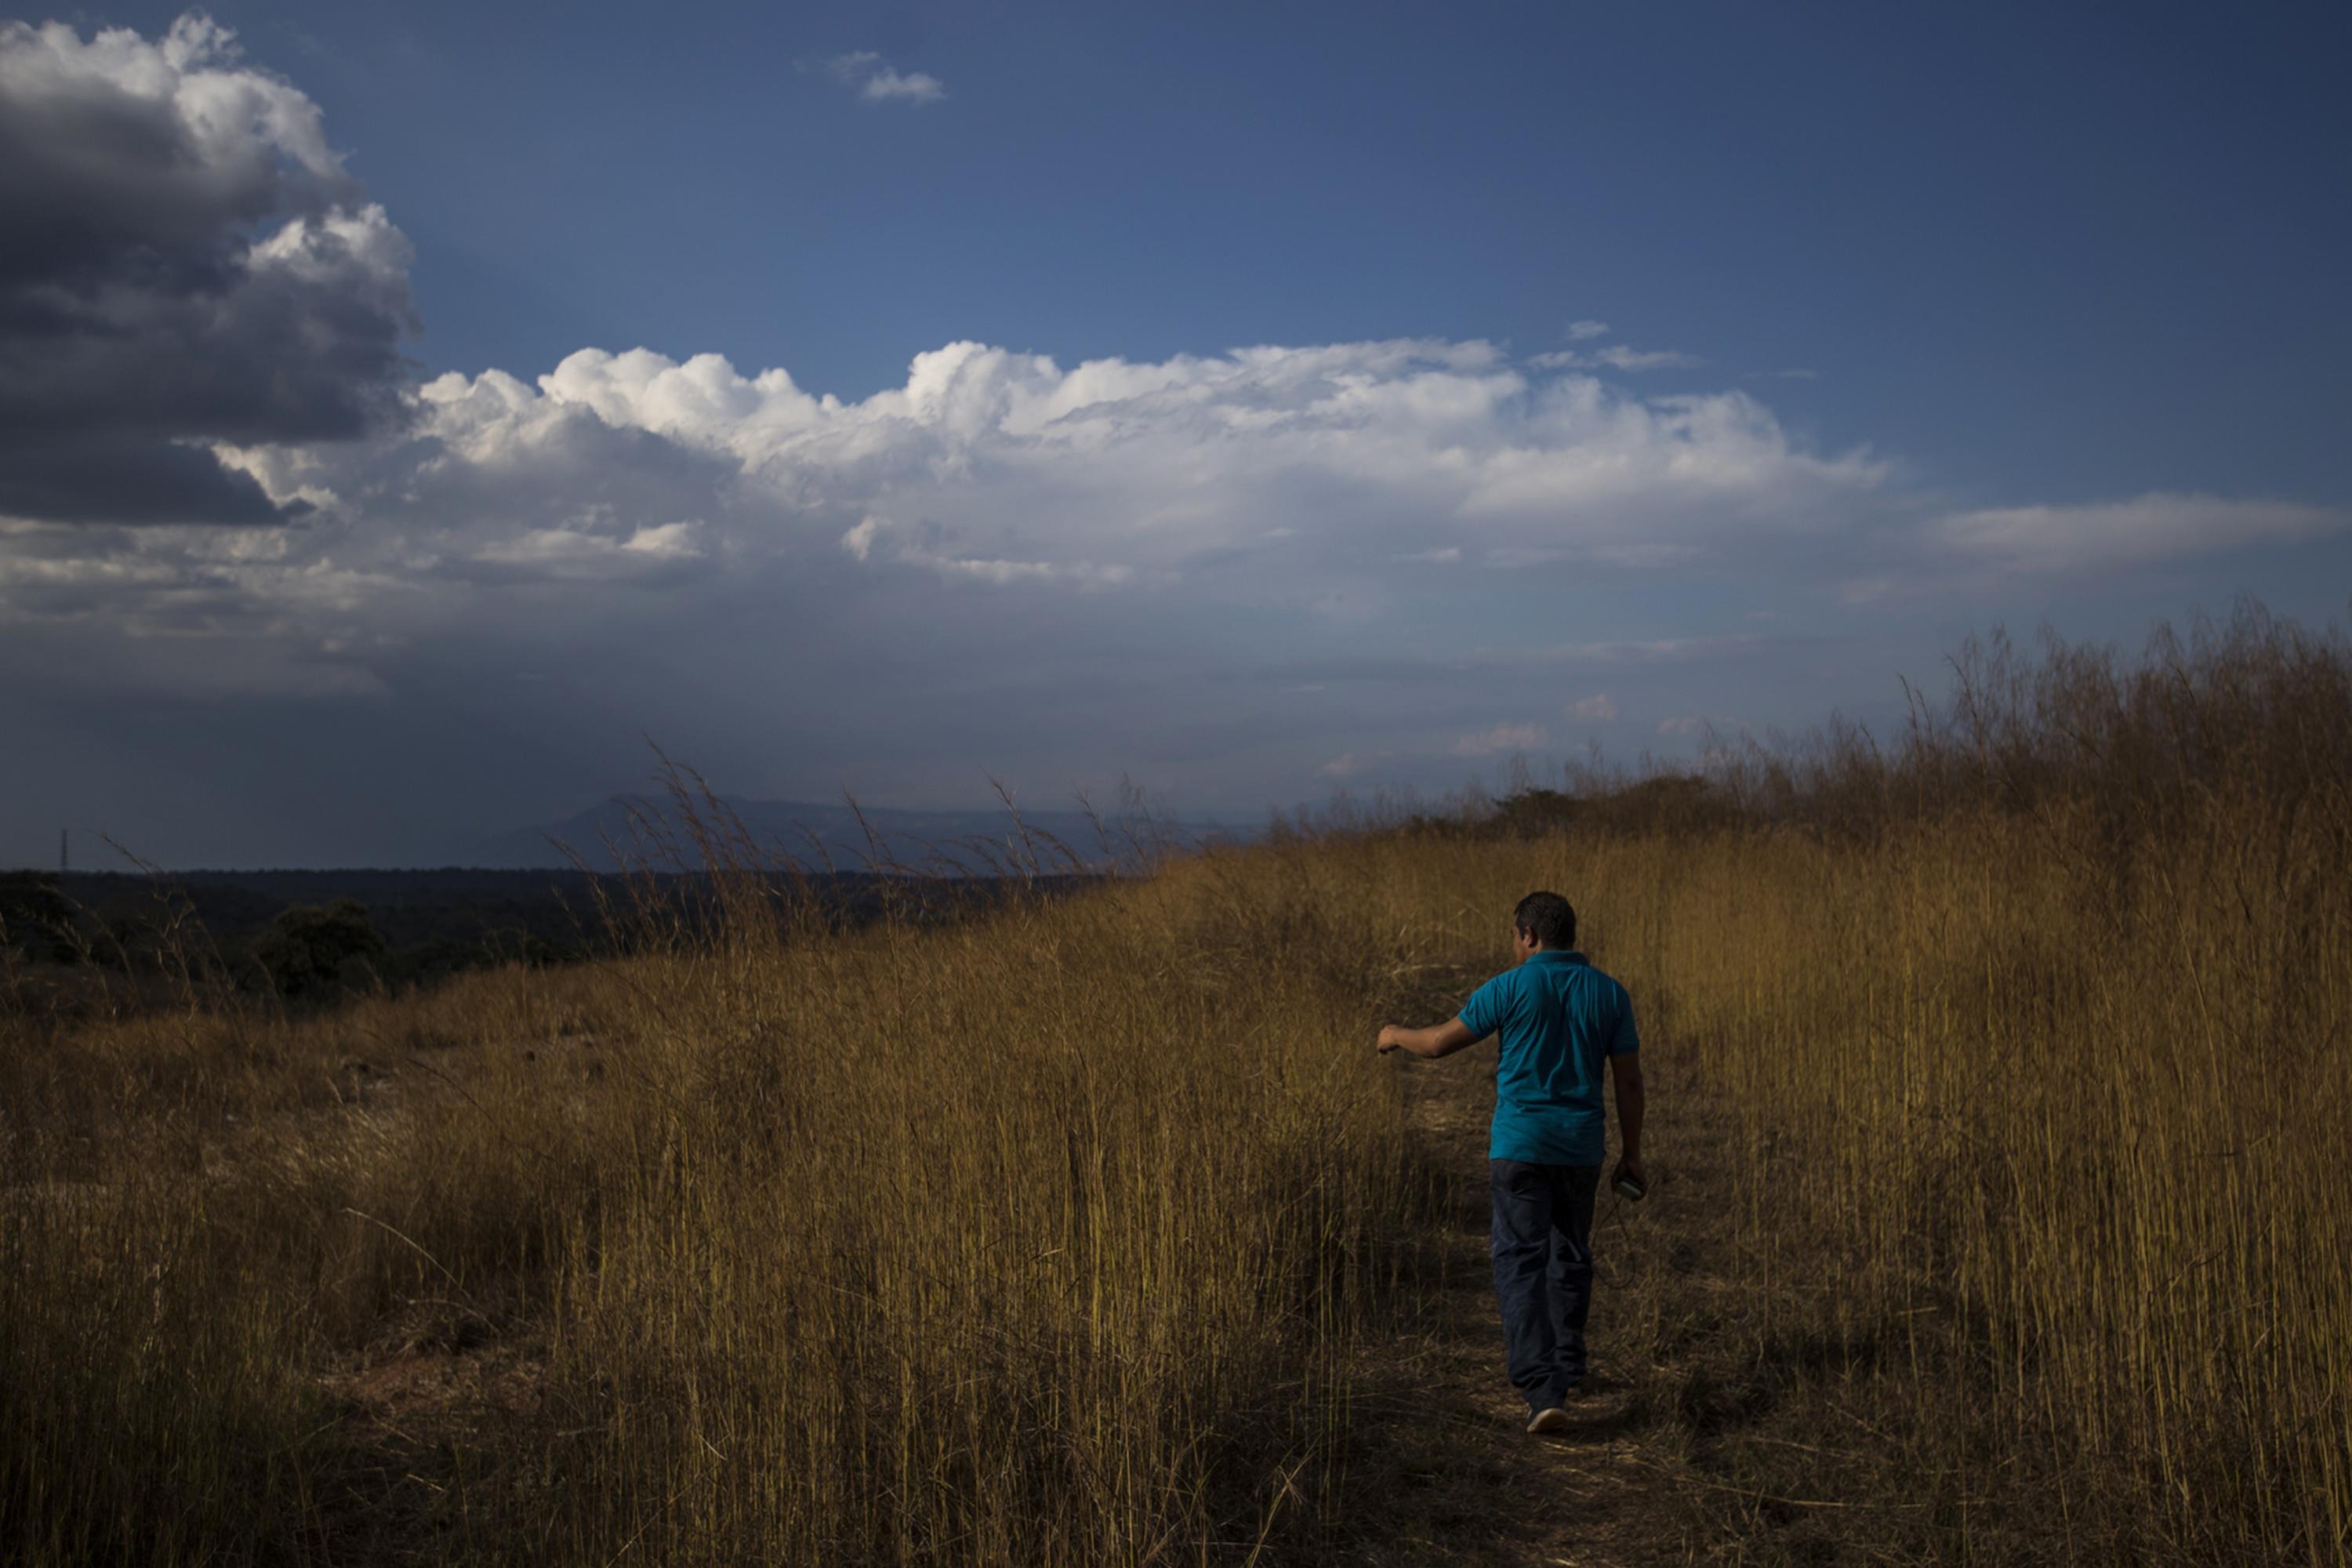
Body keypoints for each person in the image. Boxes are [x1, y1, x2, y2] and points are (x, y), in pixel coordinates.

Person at [1375, 890, 1645, 1434]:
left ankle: (1542, 1389)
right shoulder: (1611, 995)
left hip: (1519, 1148)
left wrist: (1393, 1035)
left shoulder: (1510, 986)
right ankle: (1566, 1366)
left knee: (1520, 1261)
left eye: (1515, 936)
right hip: (1580, 1149)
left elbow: (1436, 1045)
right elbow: (1629, 1081)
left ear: (1528, 936)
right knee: (1570, 1255)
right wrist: (1633, 1153)